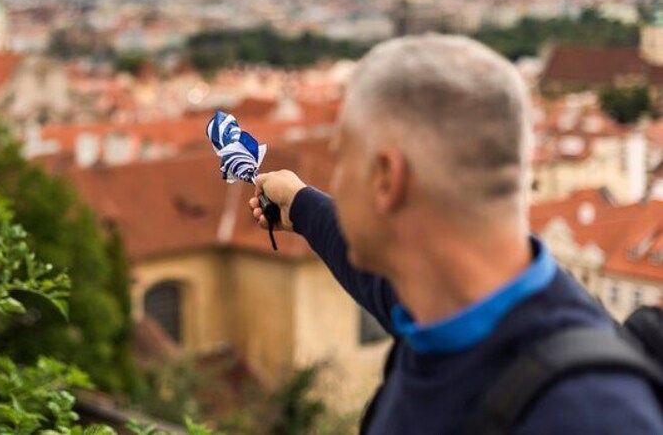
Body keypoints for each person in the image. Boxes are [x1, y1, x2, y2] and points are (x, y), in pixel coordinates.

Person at [248, 35, 663, 434]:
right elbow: (380, 283)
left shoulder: (591, 415)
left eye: (342, 159)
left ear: (388, 179)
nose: (337, 178)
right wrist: (300, 205)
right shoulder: (449, 301)